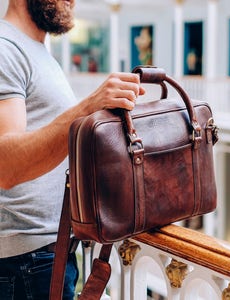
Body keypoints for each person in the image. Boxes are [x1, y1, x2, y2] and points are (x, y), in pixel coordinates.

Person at [0, 0, 145, 299]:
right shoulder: (5, 48)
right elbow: (5, 165)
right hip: (27, 262)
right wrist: (88, 106)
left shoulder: (36, 51)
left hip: (46, 255)